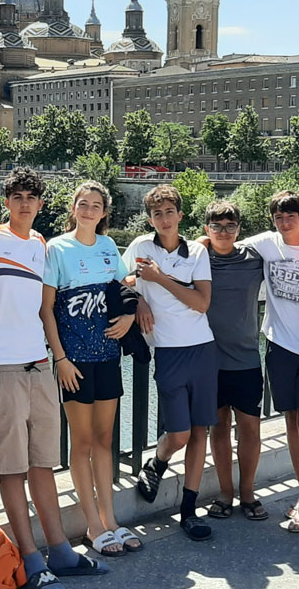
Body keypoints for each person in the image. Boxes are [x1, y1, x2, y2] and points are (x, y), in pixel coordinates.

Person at [0, 167, 108, 588]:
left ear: (42, 204)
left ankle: (60, 550)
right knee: (12, 470)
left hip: (39, 365)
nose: (25, 202)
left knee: (42, 465)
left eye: (32, 196)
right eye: (17, 196)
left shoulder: (41, 245)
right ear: (6, 201)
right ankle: (31, 559)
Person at [40, 181, 143, 557]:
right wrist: (60, 358)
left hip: (108, 356)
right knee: (80, 443)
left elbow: (124, 283)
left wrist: (131, 314)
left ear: (104, 212)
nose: (88, 210)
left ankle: (110, 519)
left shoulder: (108, 246)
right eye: (82, 204)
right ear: (73, 208)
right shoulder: (57, 248)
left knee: (104, 440)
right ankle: (92, 525)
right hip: (75, 361)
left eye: (95, 205)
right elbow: (46, 307)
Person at [122, 184, 216, 541]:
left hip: (202, 348)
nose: (164, 219)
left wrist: (159, 279)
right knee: (179, 432)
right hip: (169, 351)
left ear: (180, 215)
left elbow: (202, 303)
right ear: (150, 218)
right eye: (157, 213)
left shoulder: (196, 252)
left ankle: (189, 510)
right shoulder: (140, 247)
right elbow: (119, 279)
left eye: (169, 212)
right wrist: (137, 301)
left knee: (200, 431)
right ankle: (158, 461)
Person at [198, 201, 267, 522]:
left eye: (230, 226)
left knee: (251, 429)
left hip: (247, 359)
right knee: (219, 428)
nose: (223, 232)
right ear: (206, 229)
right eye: (217, 226)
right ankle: (226, 494)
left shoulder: (255, 259)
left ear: (239, 229)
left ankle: (249, 493)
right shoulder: (198, 257)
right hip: (210, 360)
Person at [234, 190, 299, 530]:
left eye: (291, 216)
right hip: (281, 346)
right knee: (293, 422)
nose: (285, 222)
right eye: (279, 217)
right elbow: (222, 241)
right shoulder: (266, 243)